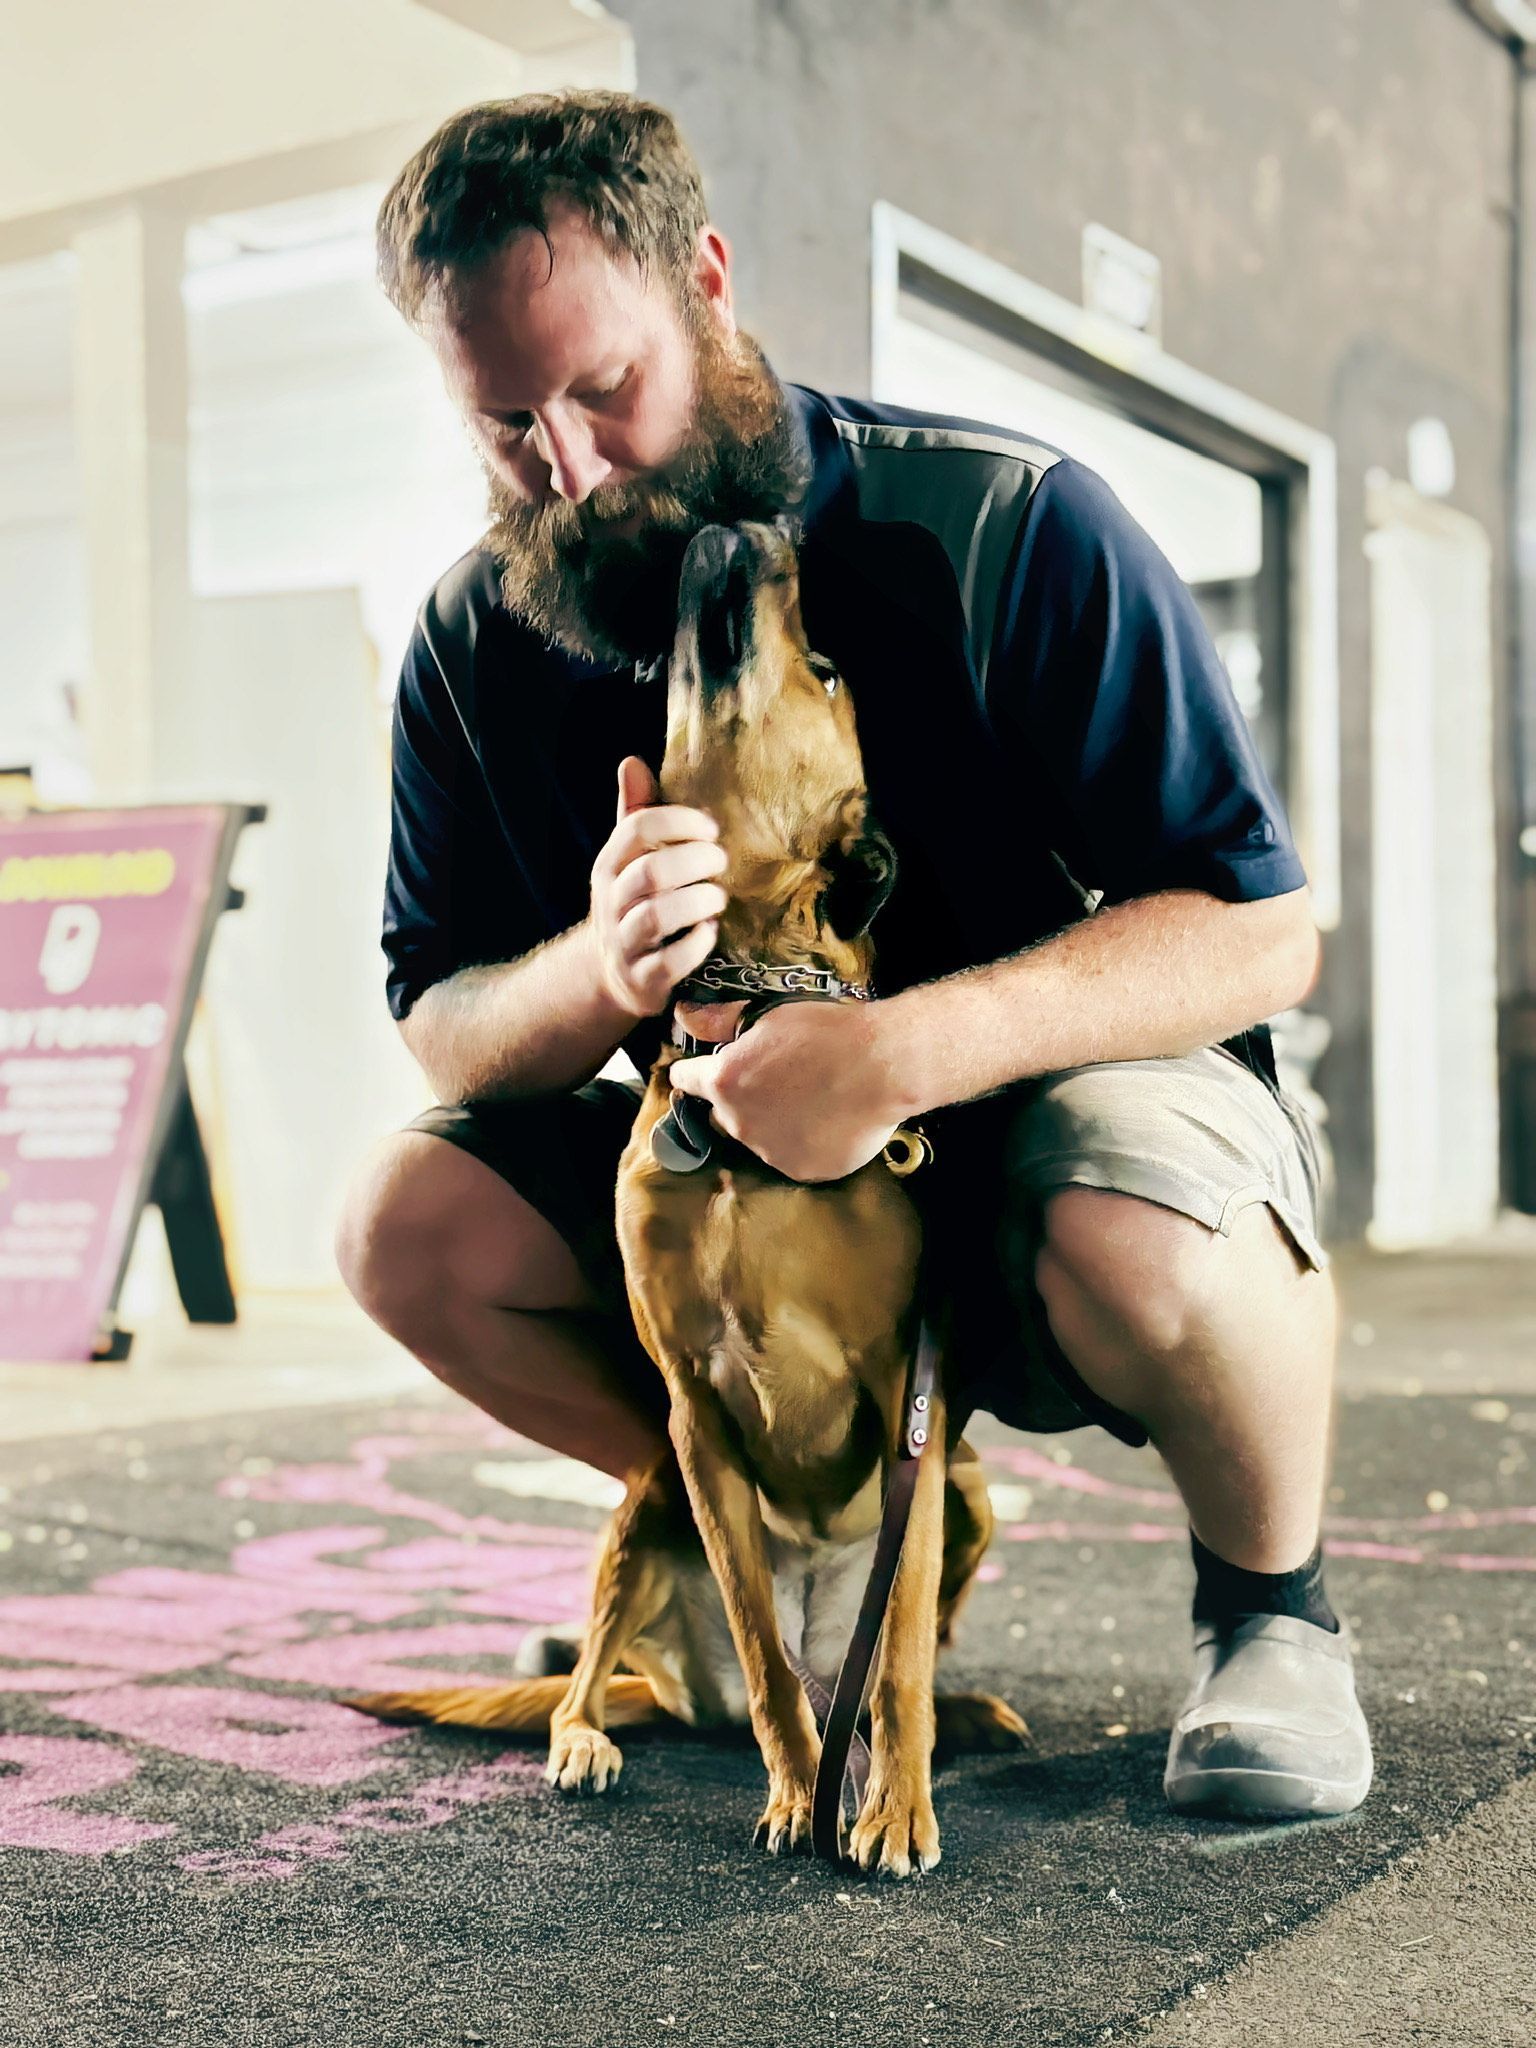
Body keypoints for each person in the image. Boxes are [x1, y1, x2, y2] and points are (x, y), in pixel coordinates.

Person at [335, 89, 1372, 1822]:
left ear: (713, 287)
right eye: (507, 422)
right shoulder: (473, 641)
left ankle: (1273, 1608)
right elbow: (442, 1023)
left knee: (1126, 1230)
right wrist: (598, 968)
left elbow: (1265, 928)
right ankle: (798, 1546)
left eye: (605, 387)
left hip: (1049, 1129)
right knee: (403, 1227)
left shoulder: (1015, 527)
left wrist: (898, 1056)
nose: (572, 469)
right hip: (745, 1170)